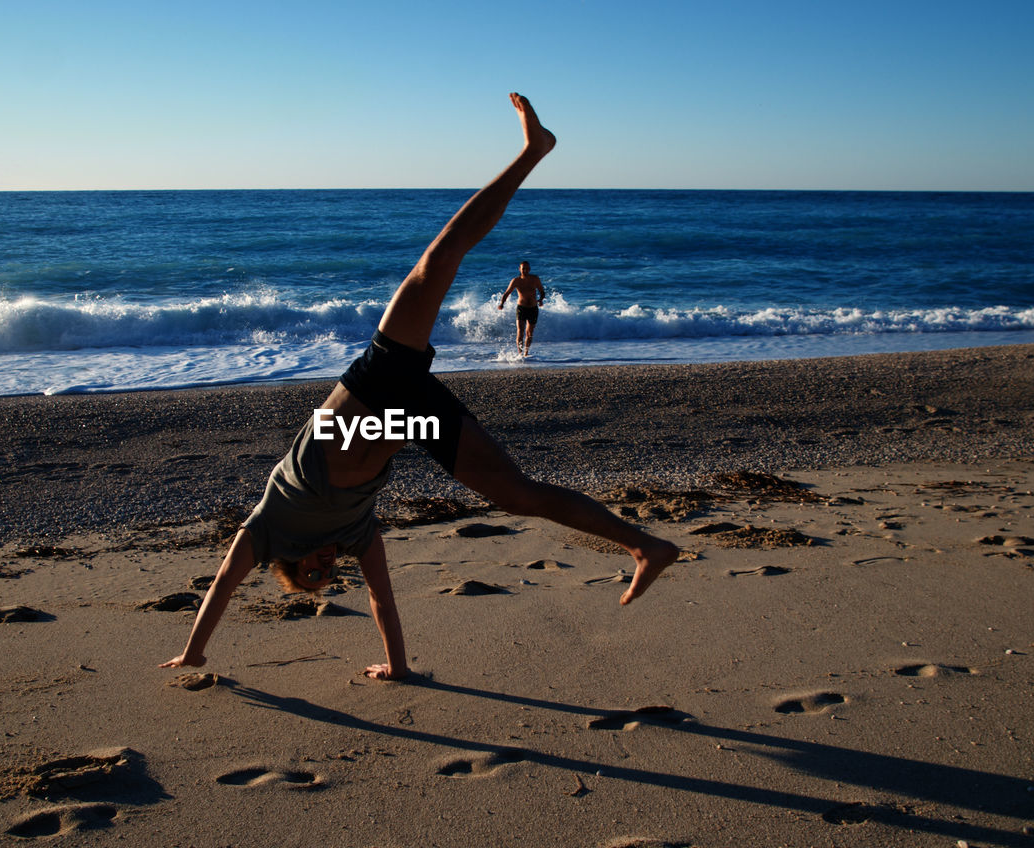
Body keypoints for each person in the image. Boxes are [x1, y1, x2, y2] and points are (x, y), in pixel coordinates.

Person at [160, 94, 678, 682]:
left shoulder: (267, 532)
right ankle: (644, 546)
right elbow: (382, 598)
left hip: (360, 405)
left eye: (311, 571)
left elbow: (223, 586)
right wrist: (398, 668)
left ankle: (533, 151)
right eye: (326, 576)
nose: (324, 566)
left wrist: (196, 651)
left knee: (441, 258)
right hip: (407, 423)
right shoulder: (356, 536)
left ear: (288, 564)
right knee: (516, 492)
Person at [498, 261, 546, 355]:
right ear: (519, 269)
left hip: (533, 308)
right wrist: (502, 304)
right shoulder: (516, 281)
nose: (525, 270)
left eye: (527, 268)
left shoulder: (535, 279)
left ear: (529, 269)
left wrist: (540, 300)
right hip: (521, 308)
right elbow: (506, 293)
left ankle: (526, 353)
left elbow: (542, 291)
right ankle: (520, 353)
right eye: (523, 268)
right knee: (520, 331)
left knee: (529, 333)